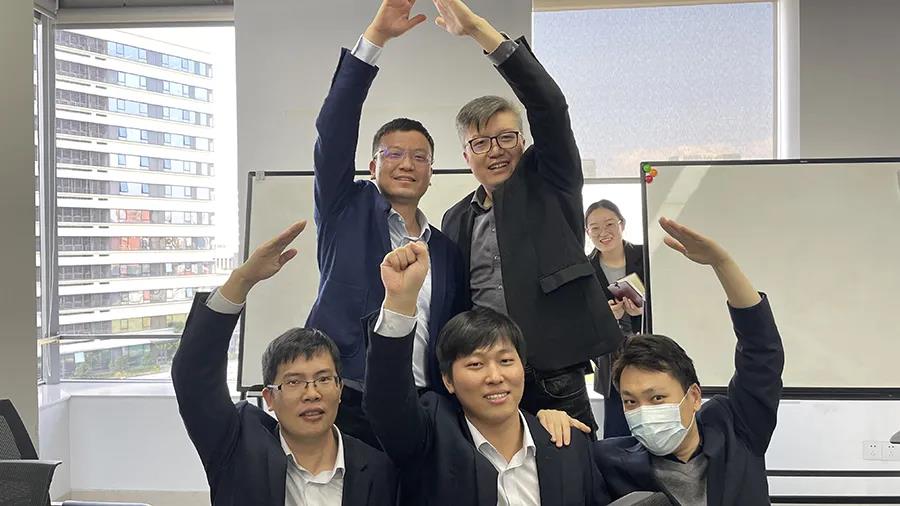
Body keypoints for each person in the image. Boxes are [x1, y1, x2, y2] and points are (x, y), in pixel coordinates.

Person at [436, 0, 623, 434]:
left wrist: (478, 29)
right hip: (487, 377)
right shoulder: (454, 219)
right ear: (466, 156)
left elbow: (549, 106)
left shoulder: (551, 181)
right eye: (481, 143)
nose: (496, 150)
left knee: (573, 466)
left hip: (554, 371)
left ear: (522, 143)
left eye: (506, 137)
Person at [307, 0, 466, 447]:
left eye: (420, 157)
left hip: (422, 404)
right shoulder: (345, 210)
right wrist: (374, 39)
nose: (406, 164)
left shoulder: (445, 252)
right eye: (393, 154)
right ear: (372, 166)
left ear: (431, 173)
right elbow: (334, 129)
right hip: (347, 398)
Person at [552, 217, 784, 505]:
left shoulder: (736, 430)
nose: (644, 412)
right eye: (630, 401)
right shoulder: (608, 462)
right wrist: (549, 419)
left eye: (657, 398)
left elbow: (761, 350)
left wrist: (721, 263)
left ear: (694, 396)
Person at [363, 240, 610, 506]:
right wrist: (400, 302)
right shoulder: (433, 439)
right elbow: (388, 404)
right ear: (448, 380)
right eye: (476, 365)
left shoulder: (567, 443)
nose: (494, 377)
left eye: (505, 361)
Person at [172, 221, 398, 506]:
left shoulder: (378, 469)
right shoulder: (238, 448)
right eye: (294, 382)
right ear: (269, 397)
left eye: (323, 379)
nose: (312, 393)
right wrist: (241, 280)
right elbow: (193, 377)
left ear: (339, 389)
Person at [585, 199, 645, 438]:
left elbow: (669, 298)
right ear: (587, 232)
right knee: (617, 428)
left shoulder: (645, 255)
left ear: (622, 224)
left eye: (610, 224)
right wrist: (608, 318)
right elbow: (580, 318)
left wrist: (642, 312)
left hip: (650, 348)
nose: (603, 232)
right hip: (611, 359)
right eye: (595, 228)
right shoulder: (585, 268)